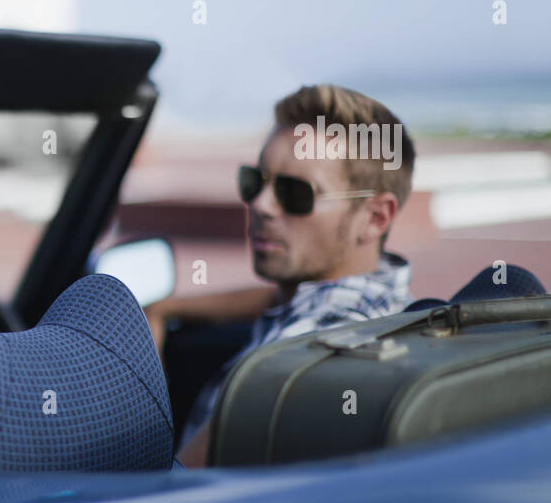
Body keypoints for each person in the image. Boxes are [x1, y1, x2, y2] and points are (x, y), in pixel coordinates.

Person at [145, 85, 416, 467]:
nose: (260, 205)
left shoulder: (291, 365)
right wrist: (164, 308)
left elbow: (164, 496)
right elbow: (281, 299)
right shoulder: (381, 294)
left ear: (375, 218)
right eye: (255, 181)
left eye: (295, 193)